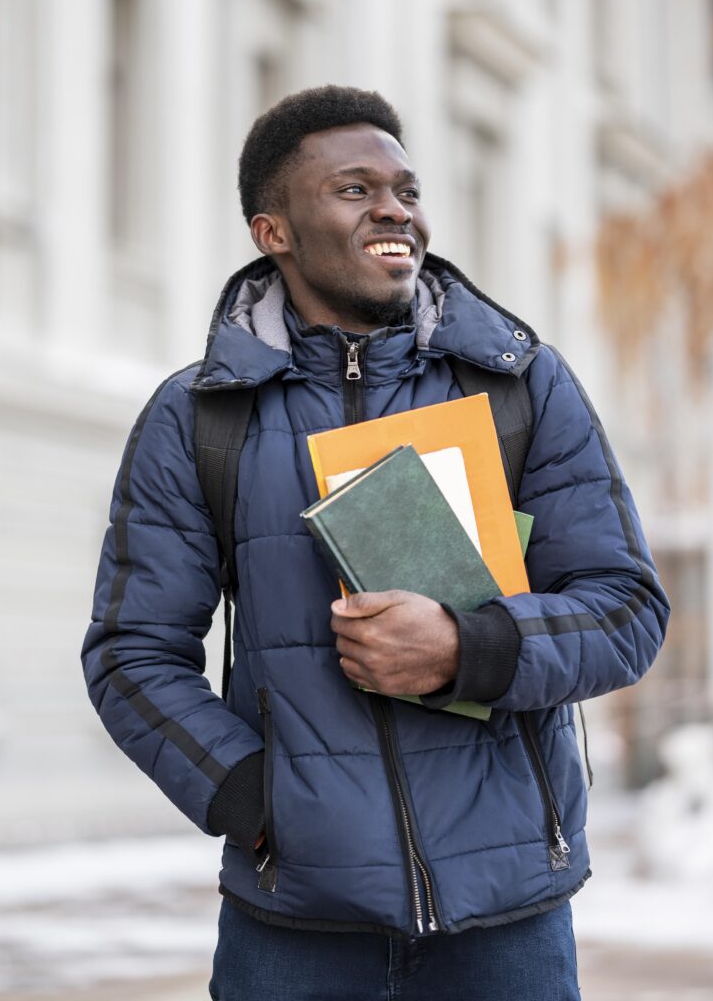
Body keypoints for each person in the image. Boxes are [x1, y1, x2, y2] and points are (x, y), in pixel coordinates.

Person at [82, 86, 669, 1000]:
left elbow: (626, 608)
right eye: (354, 189)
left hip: (507, 922)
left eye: (405, 187)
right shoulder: (198, 417)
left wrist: (466, 647)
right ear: (272, 231)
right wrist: (252, 800)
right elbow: (132, 654)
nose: (395, 207)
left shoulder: (519, 385)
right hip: (293, 928)